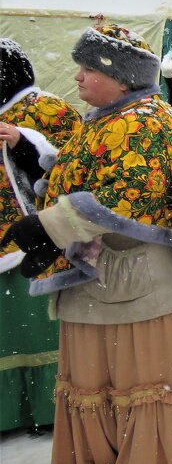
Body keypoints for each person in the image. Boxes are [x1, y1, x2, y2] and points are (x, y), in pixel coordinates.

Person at [0, 24, 172, 464]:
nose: (78, 77)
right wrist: (33, 157)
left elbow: (124, 199)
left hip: (136, 280)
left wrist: (49, 227)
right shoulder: (109, 116)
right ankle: (124, 460)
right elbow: (79, 172)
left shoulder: (143, 120)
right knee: (123, 380)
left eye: (89, 68)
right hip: (112, 280)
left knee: (144, 382)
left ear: (122, 77)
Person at [0, 38, 80, 433]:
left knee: (37, 329)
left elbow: (71, 166)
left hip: (34, 240)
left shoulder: (45, 109)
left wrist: (23, 144)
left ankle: (50, 408)